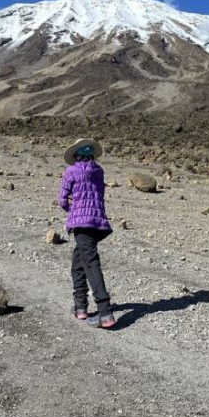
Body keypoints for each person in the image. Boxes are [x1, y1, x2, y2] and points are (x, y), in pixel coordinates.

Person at [59, 138, 116, 329]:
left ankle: (105, 312)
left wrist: (72, 210)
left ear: (76, 155)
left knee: (91, 263)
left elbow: (62, 200)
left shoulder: (72, 171)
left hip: (81, 223)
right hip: (98, 223)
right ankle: (80, 306)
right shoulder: (99, 171)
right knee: (79, 261)